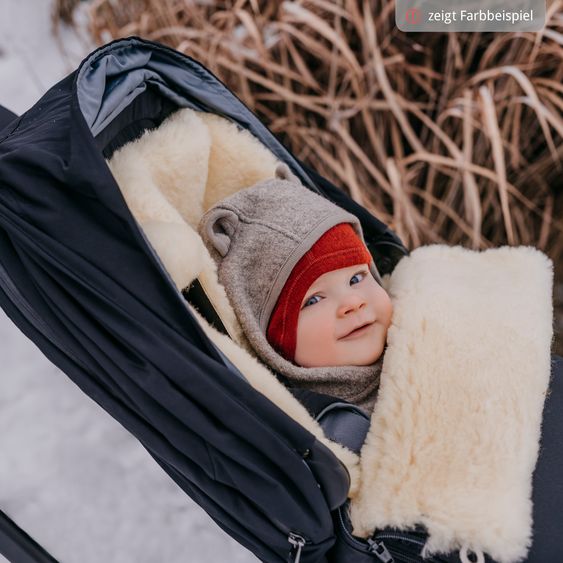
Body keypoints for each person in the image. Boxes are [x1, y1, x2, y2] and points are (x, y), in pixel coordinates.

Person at [198, 164, 393, 414]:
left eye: (356, 278)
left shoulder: (428, 334)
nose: (353, 302)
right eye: (313, 300)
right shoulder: (304, 427)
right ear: (272, 341)